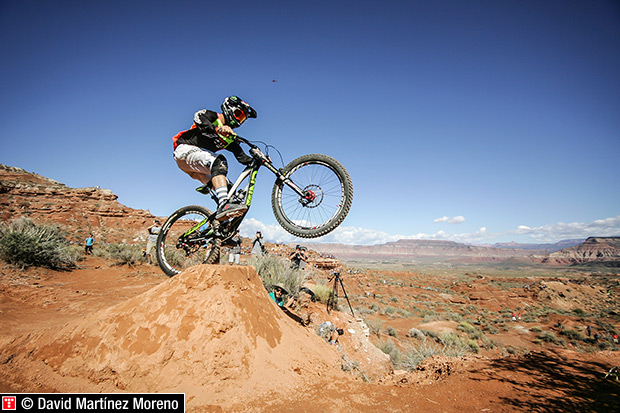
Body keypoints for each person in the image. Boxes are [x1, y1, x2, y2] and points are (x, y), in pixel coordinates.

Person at [172, 96, 257, 221]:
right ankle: (223, 205)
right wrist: (218, 129)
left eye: (243, 119)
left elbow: (242, 158)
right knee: (219, 161)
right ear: (230, 109)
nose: (239, 121)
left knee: (229, 191)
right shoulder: (212, 116)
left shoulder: (229, 137)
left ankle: (220, 229)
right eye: (238, 115)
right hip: (185, 150)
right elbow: (199, 118)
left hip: (197, 166)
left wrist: (259, 160)